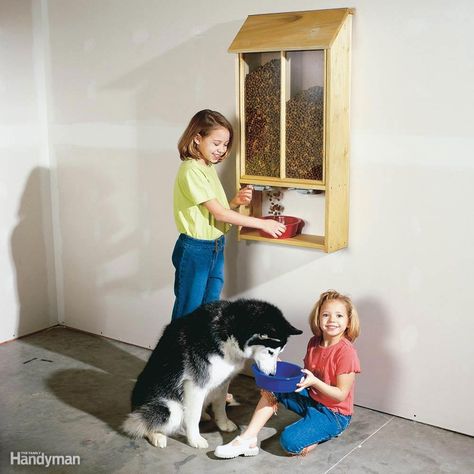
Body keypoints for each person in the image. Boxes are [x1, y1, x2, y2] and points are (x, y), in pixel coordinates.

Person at [214, 289, 361, 458]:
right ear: (318, 318)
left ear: (349, 321)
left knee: (290, 443)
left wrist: (314, 383)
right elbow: (308, 374)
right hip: (313, 398)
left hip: (334, 414)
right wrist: (280, 368)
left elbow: (341, 395)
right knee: (274, 385)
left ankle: (325, 431)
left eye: (339, 316)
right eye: (326, 315)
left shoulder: (346, 353)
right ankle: (248, 439)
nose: (332, 320)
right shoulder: (314, 342)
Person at [171, 109, 286, 321]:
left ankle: (201, 354)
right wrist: (262, 224)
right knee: (188, 312)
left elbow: (212, 210)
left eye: (225, 144)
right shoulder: (190, 170)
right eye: (216, 143)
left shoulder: (207, 167)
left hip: (216, 245)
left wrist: (235, 202)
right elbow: (219, 214)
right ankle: (174, 355)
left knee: (210, 310)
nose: (221, 150)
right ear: (197, 138)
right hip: (196, 249)